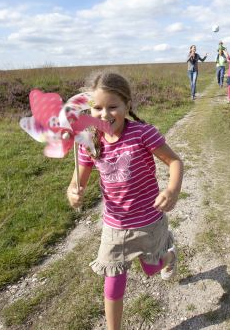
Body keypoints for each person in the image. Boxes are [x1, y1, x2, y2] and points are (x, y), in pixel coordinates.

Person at [66, 72, 184, 330]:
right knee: (113, 281)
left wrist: (172, 190)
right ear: (89, 109)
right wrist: (74, 192)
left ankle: (168, 257)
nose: (105, 115)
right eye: (97, 108)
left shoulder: (143, 133)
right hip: (115, 225)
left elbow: (174, 161)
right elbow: (78, 182)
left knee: (152, 270)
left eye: (112, 107)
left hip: (149, 222)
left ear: (127, 105)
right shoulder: (89, 142)